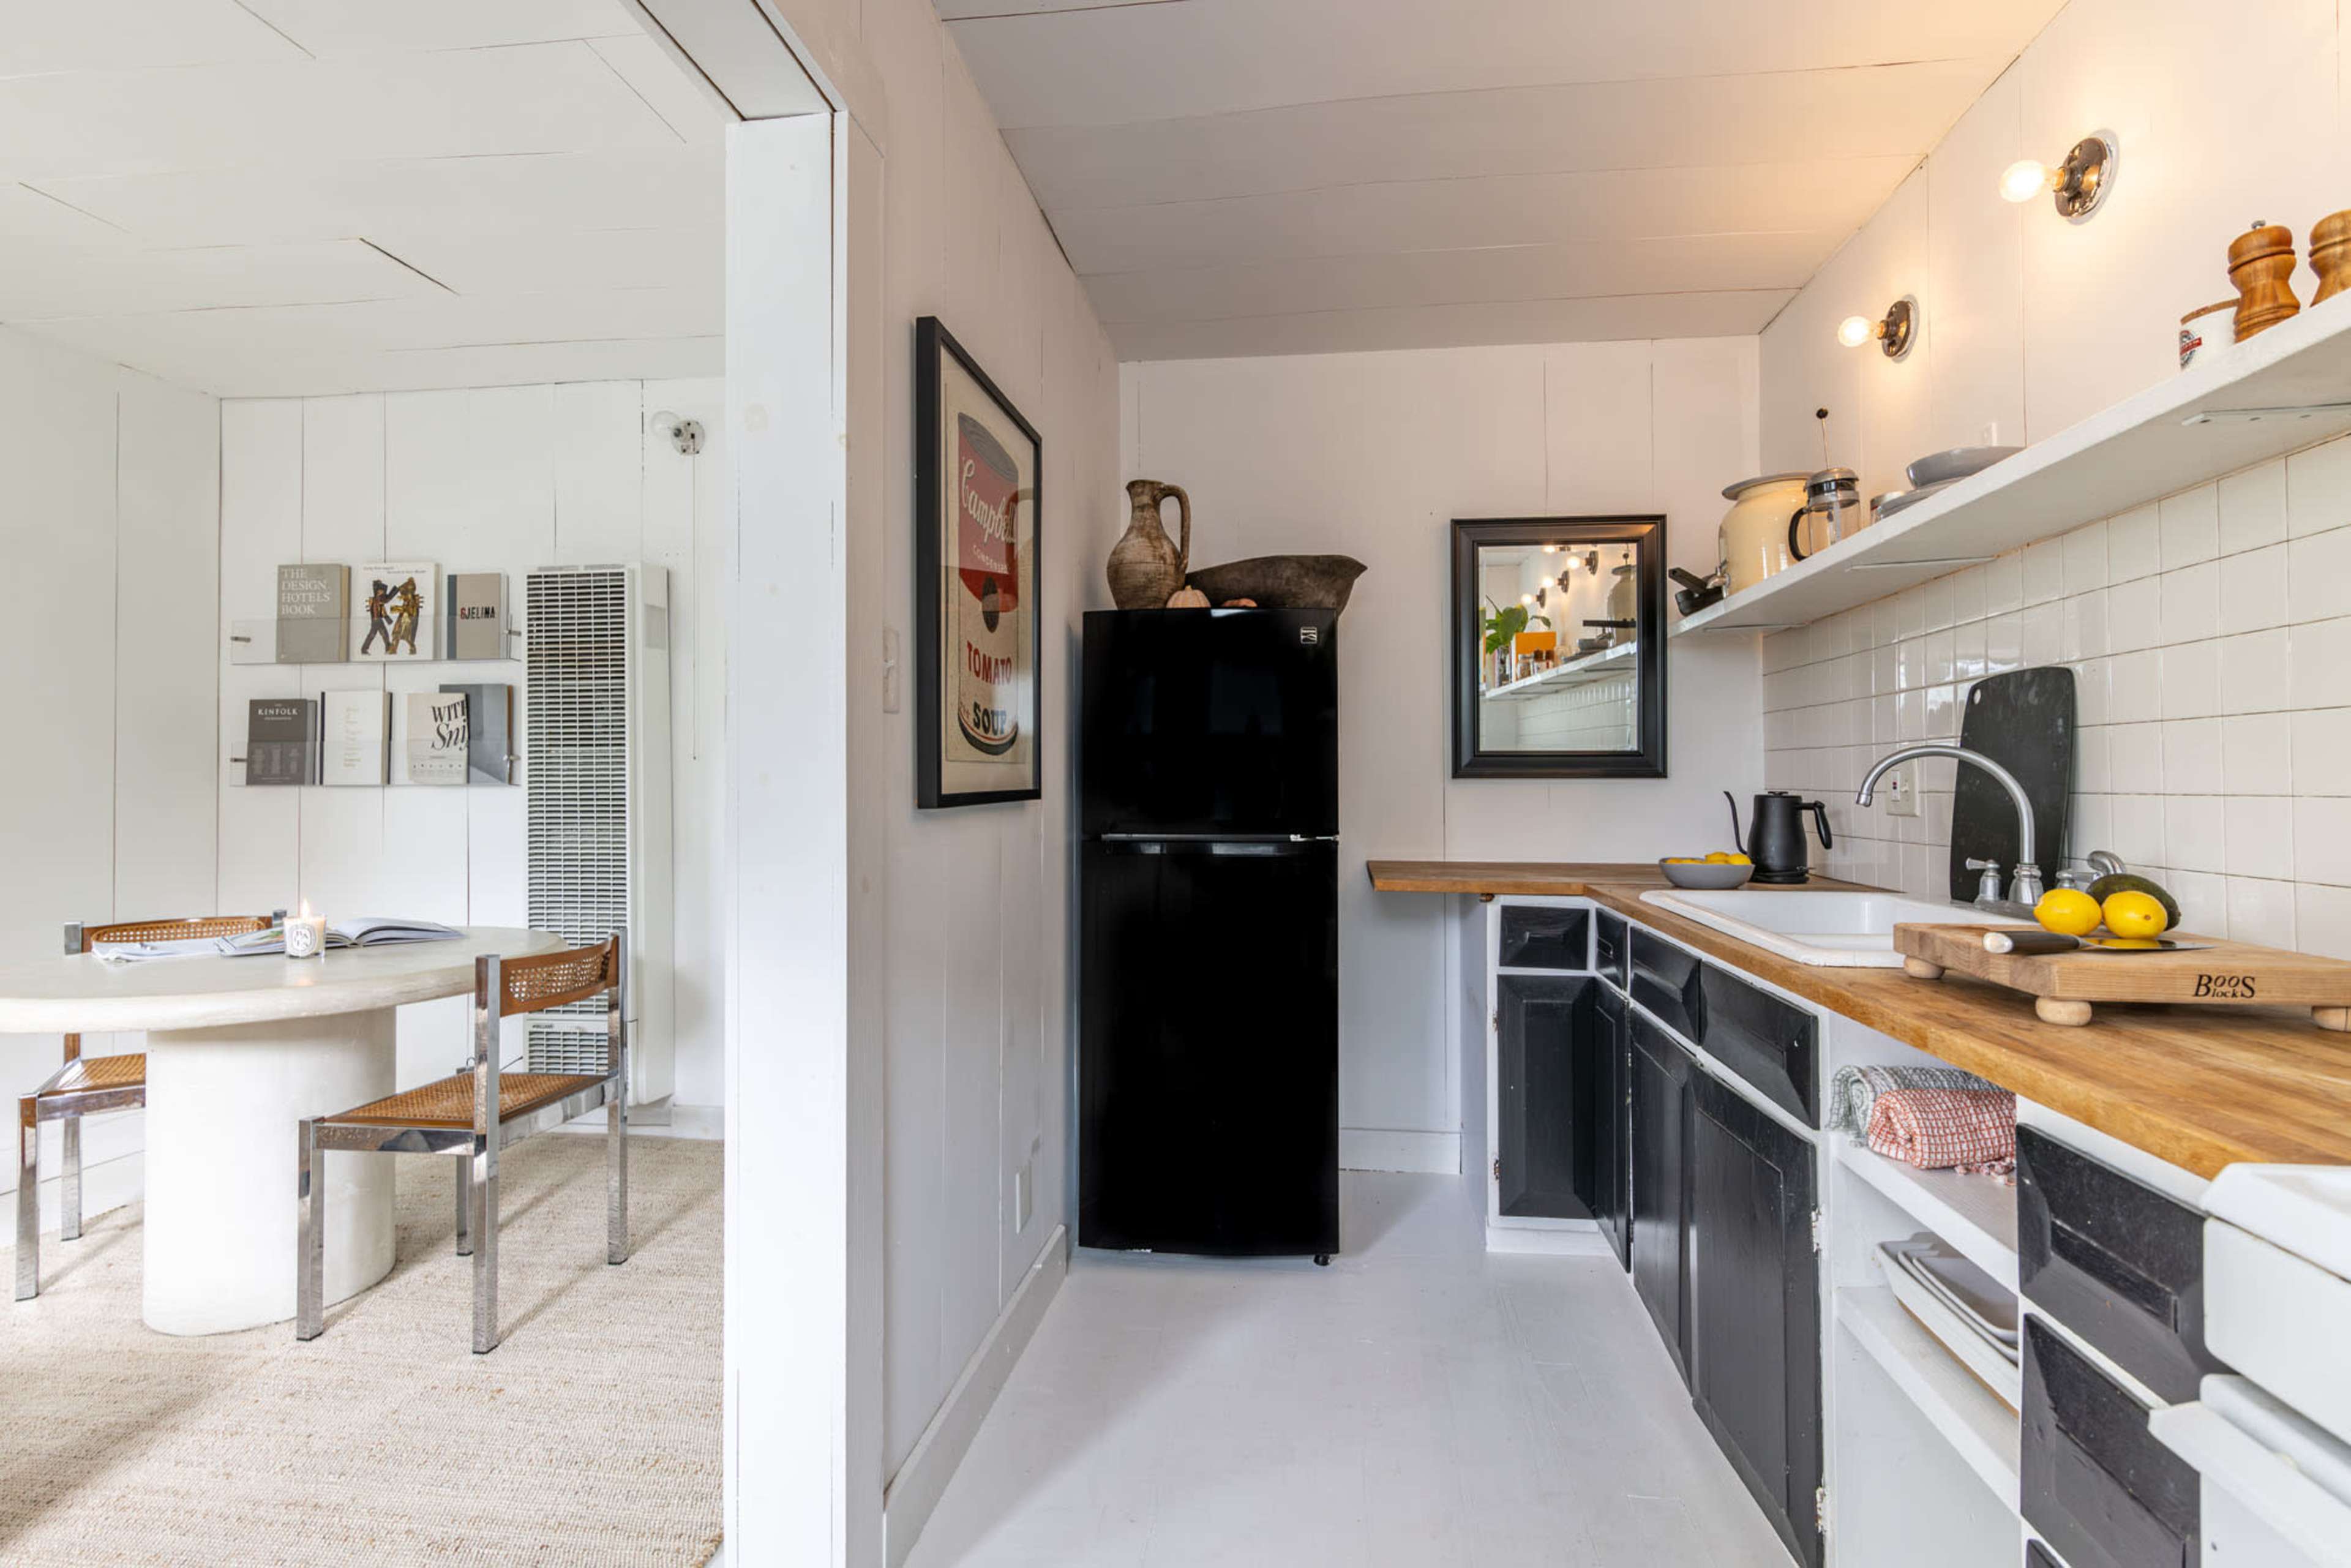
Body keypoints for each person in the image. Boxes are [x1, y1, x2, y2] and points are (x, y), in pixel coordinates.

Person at [359, 579, 392, 655]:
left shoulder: (376, 599)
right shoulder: (377, 599)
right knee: (378, 634)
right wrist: (388, 619)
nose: (382, 591)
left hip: (376, 620)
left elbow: (383, 605)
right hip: (377, 620)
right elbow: (382, 610)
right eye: (381, 590)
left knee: (377, 634)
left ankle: (365, 649)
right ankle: (365, 650)